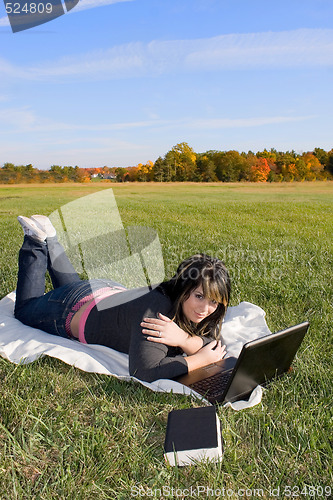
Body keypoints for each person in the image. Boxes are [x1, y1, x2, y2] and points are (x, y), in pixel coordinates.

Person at [14, 215, 231, 383]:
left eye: (214, 301)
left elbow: (212, 344)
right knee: (24, 310)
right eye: (199, 296)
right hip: (70, 308)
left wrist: (184, 340)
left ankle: (50, 239)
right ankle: (35, 241)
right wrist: (200, 360)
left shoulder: (196, 308)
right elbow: (144, 371)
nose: (205, 309)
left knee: (71, 287)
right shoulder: (158, 310)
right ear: (184, 288)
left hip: (99, 291)